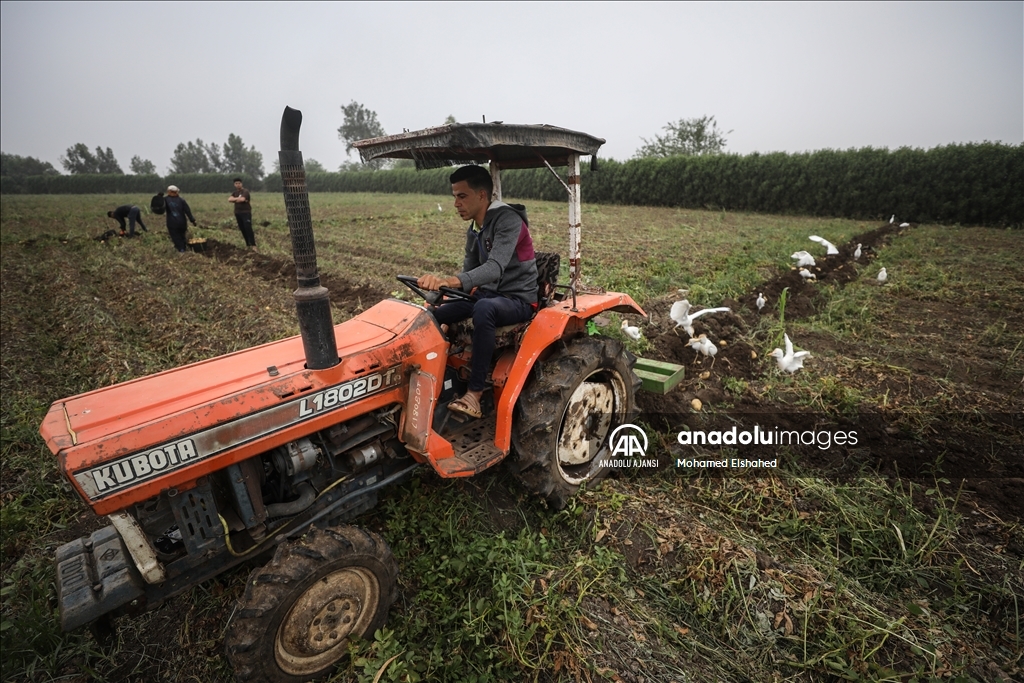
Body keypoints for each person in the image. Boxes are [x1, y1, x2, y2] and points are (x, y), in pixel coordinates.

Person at [417, 165, 538, 419]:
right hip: (487, 296)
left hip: (517, 300)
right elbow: (469, 273)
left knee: (484, 308)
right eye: (454, 197)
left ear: (482, 196)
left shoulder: (509, 221)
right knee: (434, 314)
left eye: (462, 196)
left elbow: (494, 268)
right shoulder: (474, 229)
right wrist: (442, 292)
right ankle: (433, 377)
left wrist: (447, 280)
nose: (455, 204)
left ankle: (475, 393)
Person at [163, 185, 196, 254]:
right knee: (182, 236)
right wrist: (192, 220)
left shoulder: (165, 199)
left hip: (172, 223)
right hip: (182, 222)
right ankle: (182, 248)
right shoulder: (182, 200)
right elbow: (187, 211)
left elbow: (159, 207)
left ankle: (181, 250)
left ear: (169, 192)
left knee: (176, 237)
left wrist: (159, 197)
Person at [228, 178, 256, 249]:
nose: (238, 185)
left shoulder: (245, 191)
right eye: (236, 183)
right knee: (242, 228)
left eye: (239, 183)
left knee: (248, 228)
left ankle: (253, 245)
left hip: (246, 212)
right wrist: (238, 199)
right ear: (234, 184)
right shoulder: (235, 193)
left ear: (241, 183)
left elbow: (242, 199)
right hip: (237, 213)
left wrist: (235, 200)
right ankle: (248, 244)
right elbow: (229, 199)